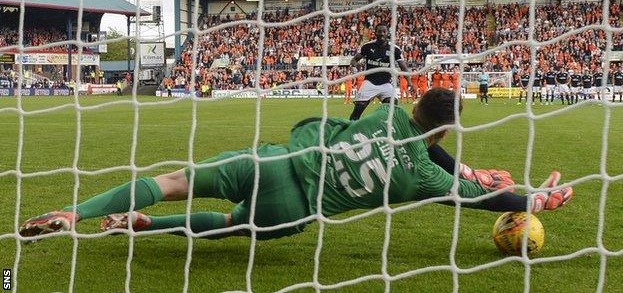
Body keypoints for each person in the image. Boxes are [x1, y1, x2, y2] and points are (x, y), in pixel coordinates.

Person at [18, 88, 573, 240]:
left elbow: (315, 124)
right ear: (445, 132)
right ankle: (146, 228)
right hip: (296, 208)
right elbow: (474, 196)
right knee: (236, 224)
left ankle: (75, 212)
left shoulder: (379, 117)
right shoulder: (423, 176)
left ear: (412, 105)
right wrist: (532, 199)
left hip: (274, 161)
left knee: (170, 181)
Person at [348, 23, 411, 120]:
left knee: (393, 109)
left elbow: (404, 67)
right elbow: (353, 60)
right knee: (357, 111)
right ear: (375, 33)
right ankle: (350, 130)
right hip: (369, 83)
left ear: (387, 33)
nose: (382, 33)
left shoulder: (394, 49)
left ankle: (387, 129)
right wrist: (356, 64)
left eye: (384, 31)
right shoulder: (367, 46)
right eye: (379, 31)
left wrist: (409, 82)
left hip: (386, 84)